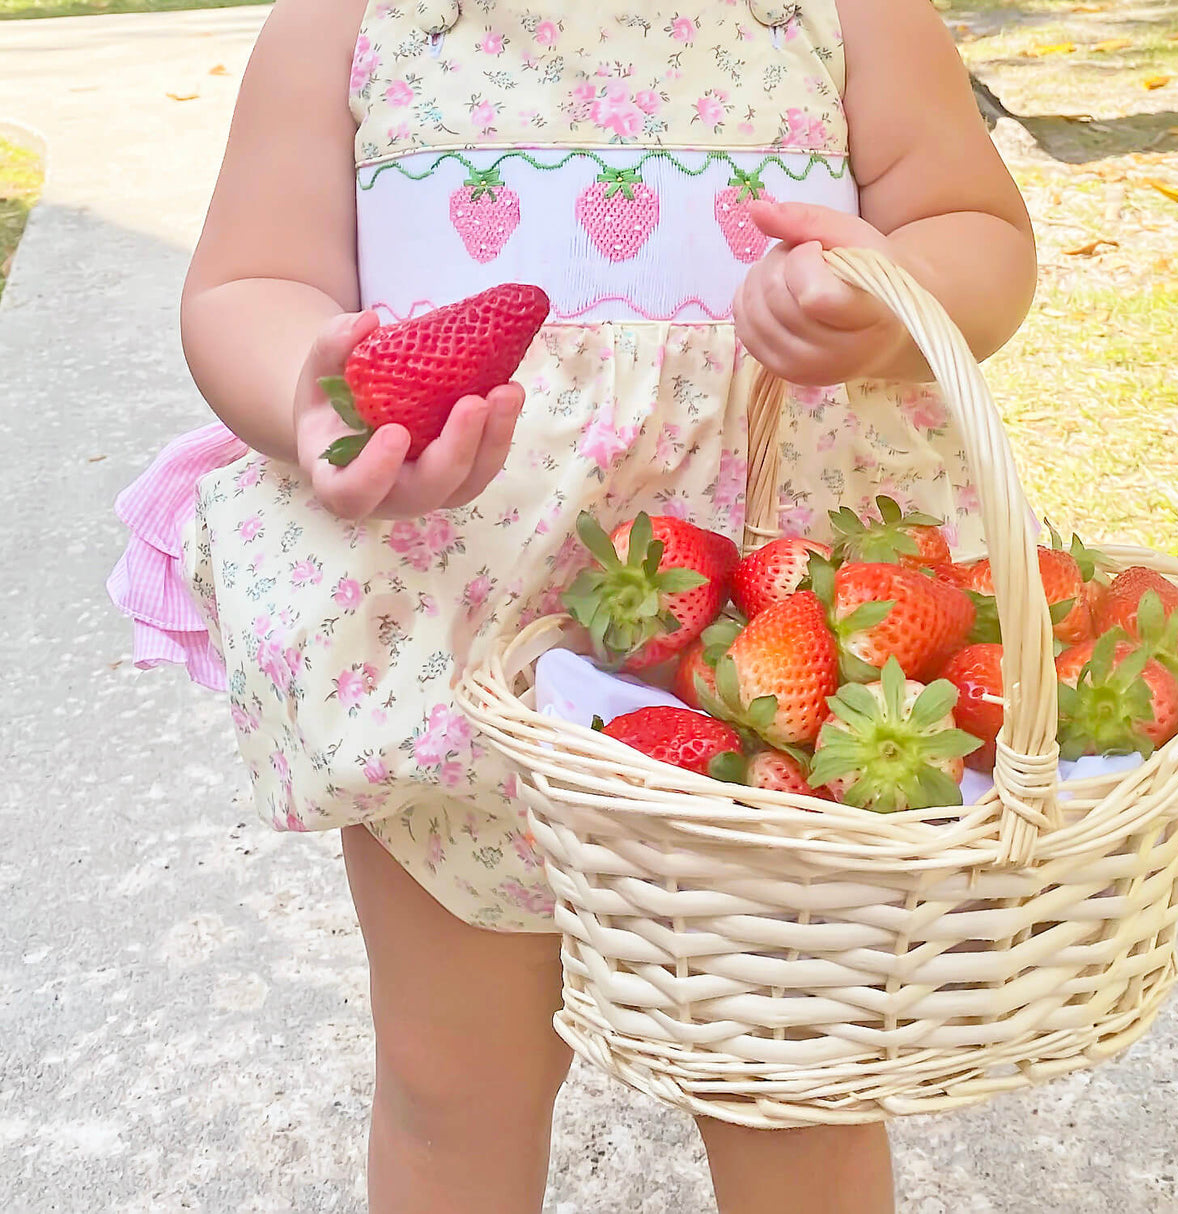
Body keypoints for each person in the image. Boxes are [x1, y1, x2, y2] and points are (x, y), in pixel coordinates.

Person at [108, 0, 1036, 1209]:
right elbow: (252, 276)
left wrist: (885, 299)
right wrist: (320, 394)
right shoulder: (356, 21)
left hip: (766, 654)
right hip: (455, 623)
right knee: (453, 1085)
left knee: (794, 1096)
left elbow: (975, 231)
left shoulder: (841, 12)